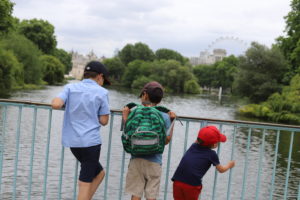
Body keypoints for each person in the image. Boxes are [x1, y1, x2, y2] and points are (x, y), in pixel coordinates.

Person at [51, 61, 111, 200]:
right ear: (100, 77)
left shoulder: (70, 88)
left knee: (99, 173)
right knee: (85, 183)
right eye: (104, 80)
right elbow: (104, 121)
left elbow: (56, 104)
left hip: (74, 143)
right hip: (91, 143)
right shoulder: (102, 92)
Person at [122, 81, 176, 200]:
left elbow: (128, 133)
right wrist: (172, 122)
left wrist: (125, 116)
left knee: (136, 193)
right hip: (155, 161)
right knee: (151, 194)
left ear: (145, 95)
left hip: (136, 159)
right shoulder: (165, 116)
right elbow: (166, 140)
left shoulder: (135, 112)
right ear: (160, 100)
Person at [171, 125, 235, 200]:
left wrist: (204, 135)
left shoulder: (193, 146)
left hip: (177, 181)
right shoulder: (212, 154)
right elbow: (221, 169)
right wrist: (229, 165)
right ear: (214, 144)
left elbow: (199, 140)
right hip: (192, 185)